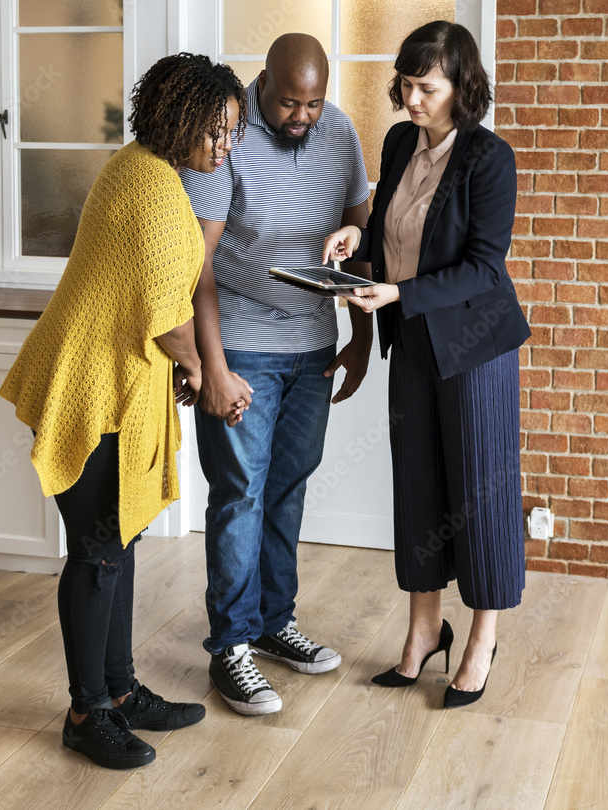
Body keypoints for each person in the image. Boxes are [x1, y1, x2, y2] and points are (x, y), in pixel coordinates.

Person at [0, 53, 246, 768]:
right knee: (100, 553)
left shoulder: (144, 170)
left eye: (232, 133)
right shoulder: (153, 191)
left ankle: (119, 691)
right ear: (180, 118)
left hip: (111, 383)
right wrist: (204, 373)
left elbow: (159, 308)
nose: (223, 145)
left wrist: (193, 369)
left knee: (118, 539)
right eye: (217, 130)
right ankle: (86, 713)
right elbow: (168, 319)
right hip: (92, 388)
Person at [322, 21, 531, 709]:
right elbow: (392, 222)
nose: (411, 99)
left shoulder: (489, 159)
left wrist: (399, 292)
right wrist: (360, 238)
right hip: (409, 337)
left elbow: (482, 267)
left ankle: (482, 636)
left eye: (427, 87)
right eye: (406, 85)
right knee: (417, 487)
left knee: (480, 491)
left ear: (461, 87)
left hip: (474, 350)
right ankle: (423, 630)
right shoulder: (397, 141)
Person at [180, 33, 372, 716]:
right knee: (239, 494)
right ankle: (230, 645)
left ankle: (271, 622)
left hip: (314, 346)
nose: (303, 116)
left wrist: (359, 335)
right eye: (290, 103)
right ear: (263, 85)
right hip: (244, 346)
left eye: (313, 103)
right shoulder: (225, 135)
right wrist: (213, 366)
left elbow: (358, 234)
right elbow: (195, 267)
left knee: (287, 488)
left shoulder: (340, 130)